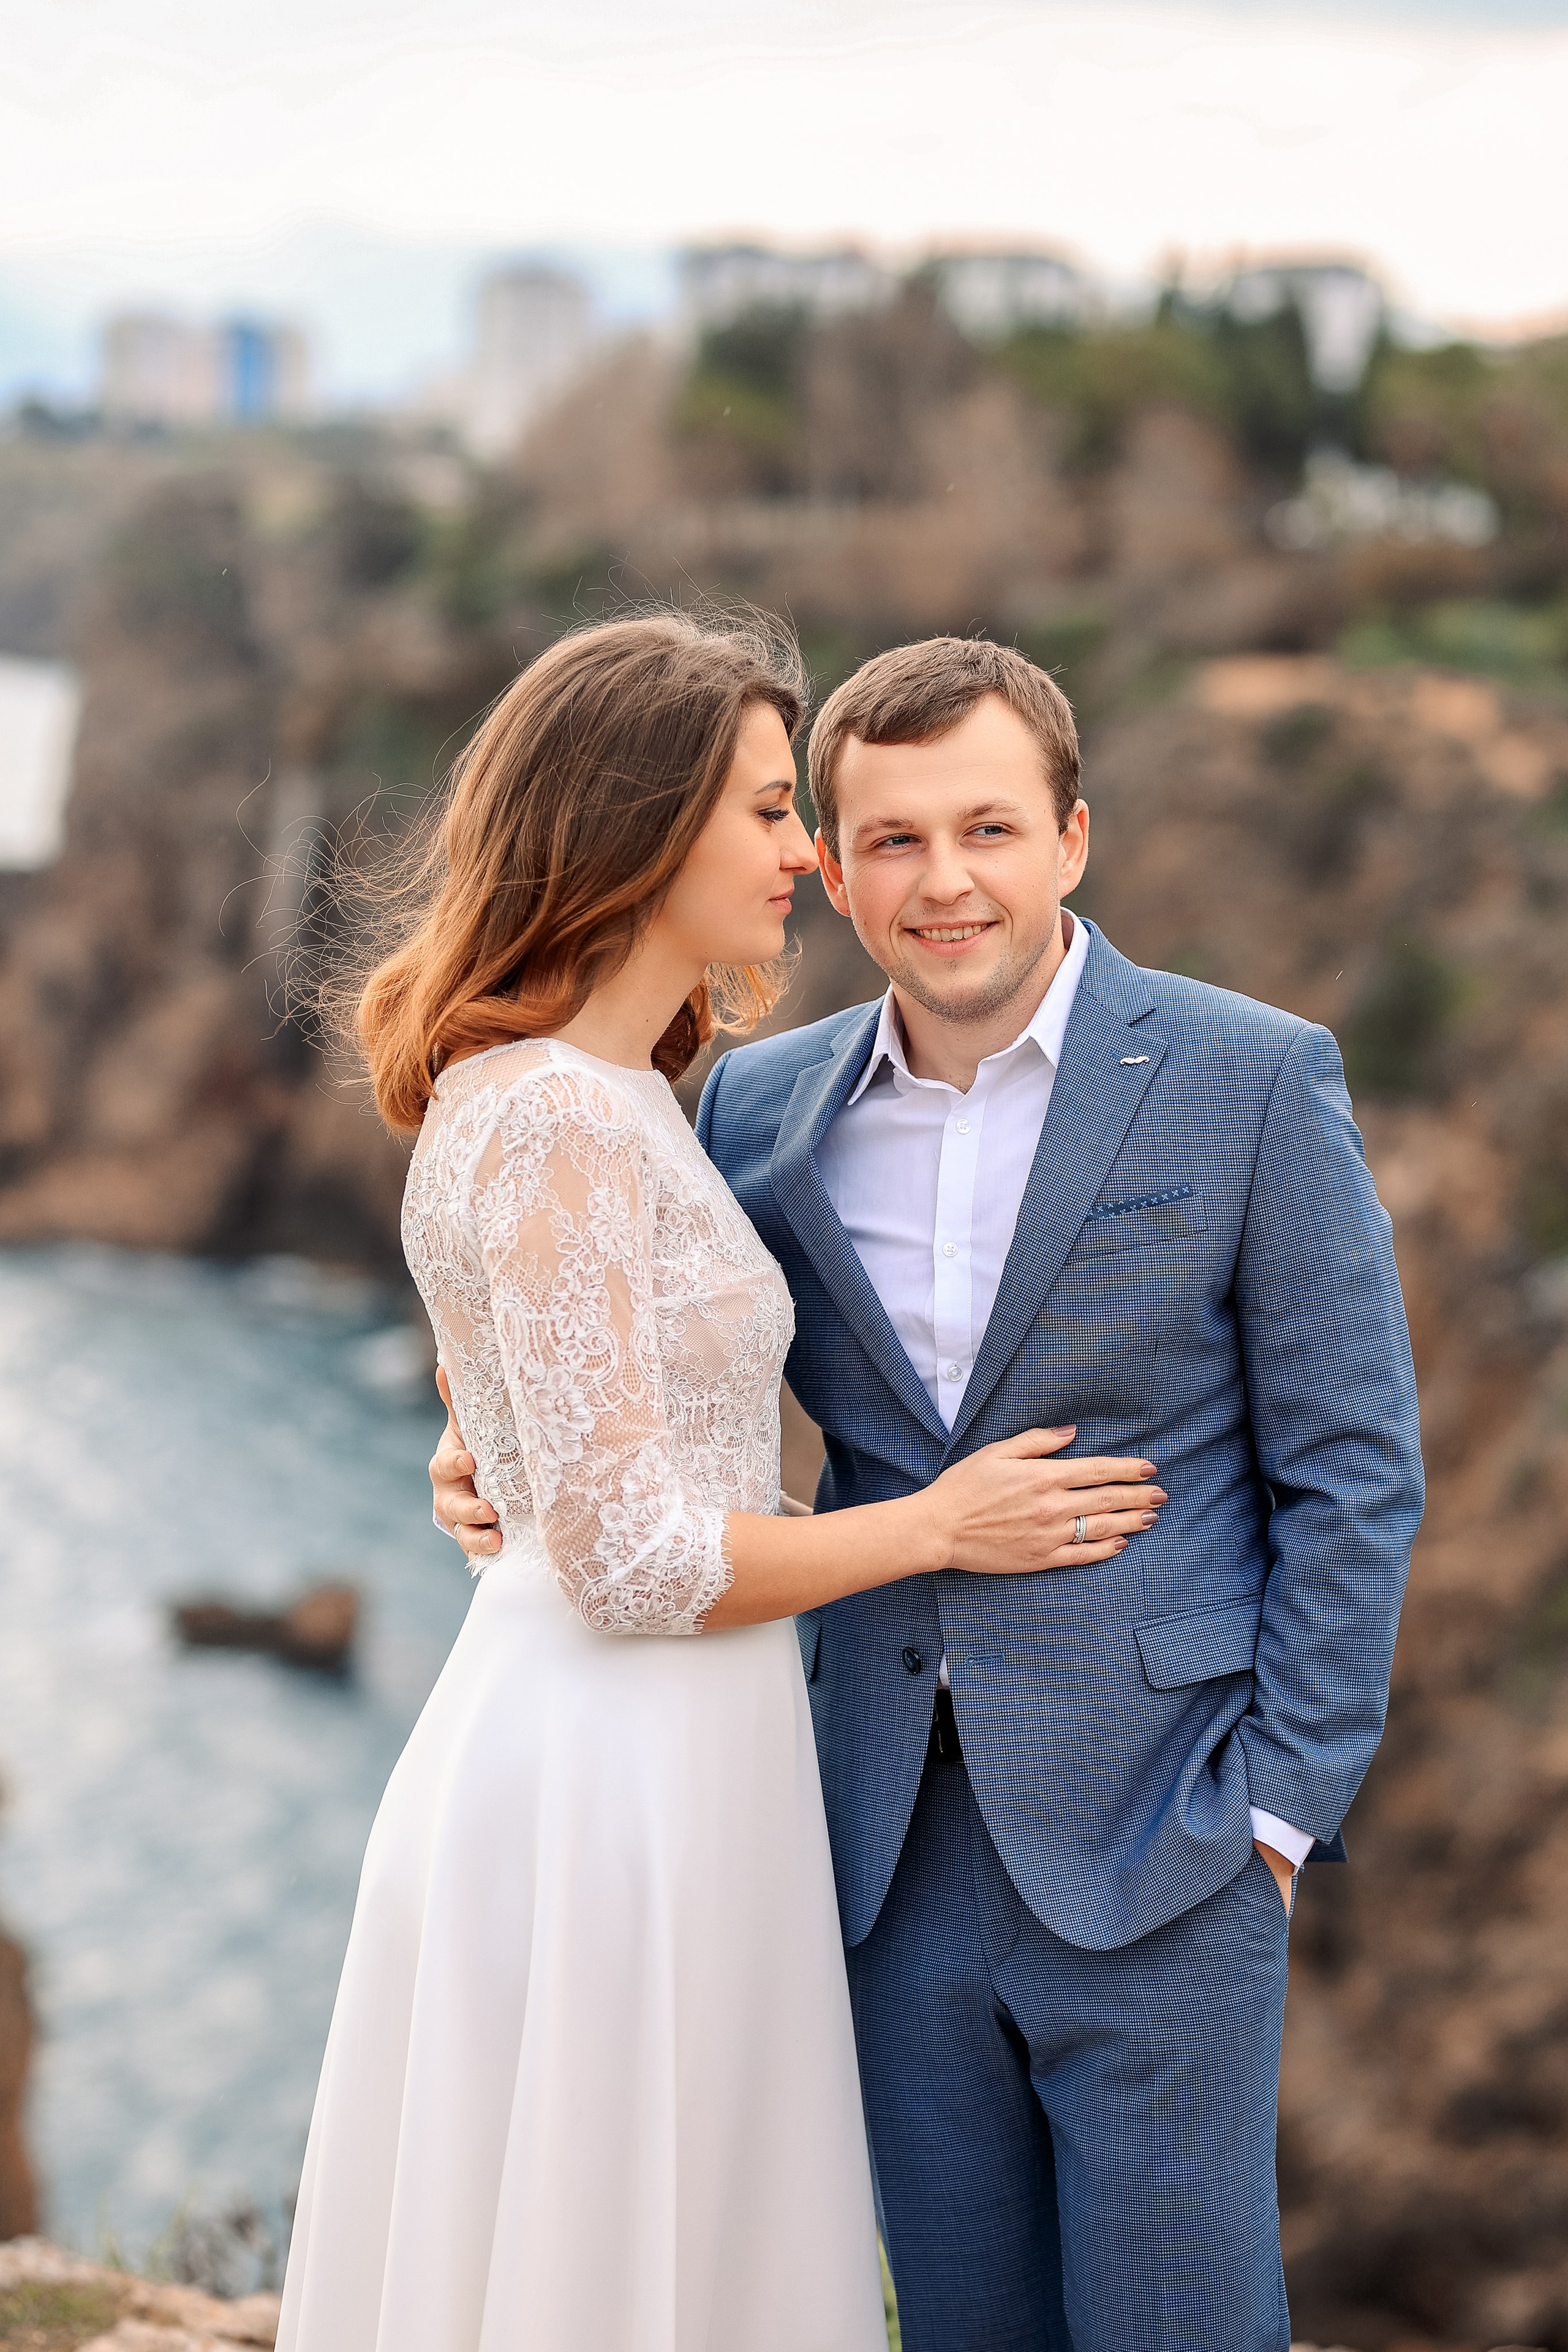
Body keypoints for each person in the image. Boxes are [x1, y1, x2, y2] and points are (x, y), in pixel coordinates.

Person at [435, 636, 1425, 2352]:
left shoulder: (1252, 1080)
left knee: (1183, 2323)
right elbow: (640, 1350)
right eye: (891, 839)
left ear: (1074, 840)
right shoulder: (754, 1106)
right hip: (872, 1838)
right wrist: (488, 1461)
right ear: (829, 857)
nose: (944, 881)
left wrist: (1276, 1809)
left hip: (1168, 1830)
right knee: (961, 2323)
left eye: (989, 830)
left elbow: (1352, 1469)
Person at [280, 614, 1167, 2352]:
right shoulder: (554, 1115)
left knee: (654, 2239)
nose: (806, 854)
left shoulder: (617, 1094)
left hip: (669, 1739)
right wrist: (933, 1528)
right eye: (770, 810)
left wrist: (488, 1469)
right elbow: (621, 1561)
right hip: (614, 1761)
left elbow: (535, 1418)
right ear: (640, 818)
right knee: (618, 2250)